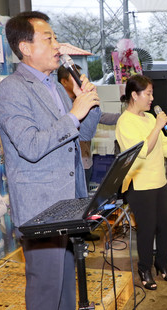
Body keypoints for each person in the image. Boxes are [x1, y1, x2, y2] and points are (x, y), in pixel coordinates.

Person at [0, 11, 102, 310]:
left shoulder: (54, 85)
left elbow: (79, 134)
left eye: (56, 39)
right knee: (44, 279)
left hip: (67, 195)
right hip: (39, 202)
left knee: (66, 269)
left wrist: (88, 102)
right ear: (26, 47)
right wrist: (74, 113)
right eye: (49, 39)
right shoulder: (11, 90)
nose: (57, 46)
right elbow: (31, 146)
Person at [115, 75, 167, 290]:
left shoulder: (149, 118)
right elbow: (142, 151)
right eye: (148, 93)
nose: (152, 98)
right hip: (139, 185)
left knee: (165, 225)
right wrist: (158, 125)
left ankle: (162, 264)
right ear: (134, 95)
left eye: (151, 93)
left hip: (159, 181)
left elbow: (165, 147)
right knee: (147, 229)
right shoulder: (125, 122)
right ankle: (145, 268)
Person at [57, 64, 120, 242]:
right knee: (73, 201)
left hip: (86, 160)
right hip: (71, 163)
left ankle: (82, 231)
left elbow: (100, 117)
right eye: (74, 77)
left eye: (81, 76)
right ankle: (73, 236)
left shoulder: (83, 100)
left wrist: (126, 116)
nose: (80, 80)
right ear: (63, 82)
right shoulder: (62, 105)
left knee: (84, 199)